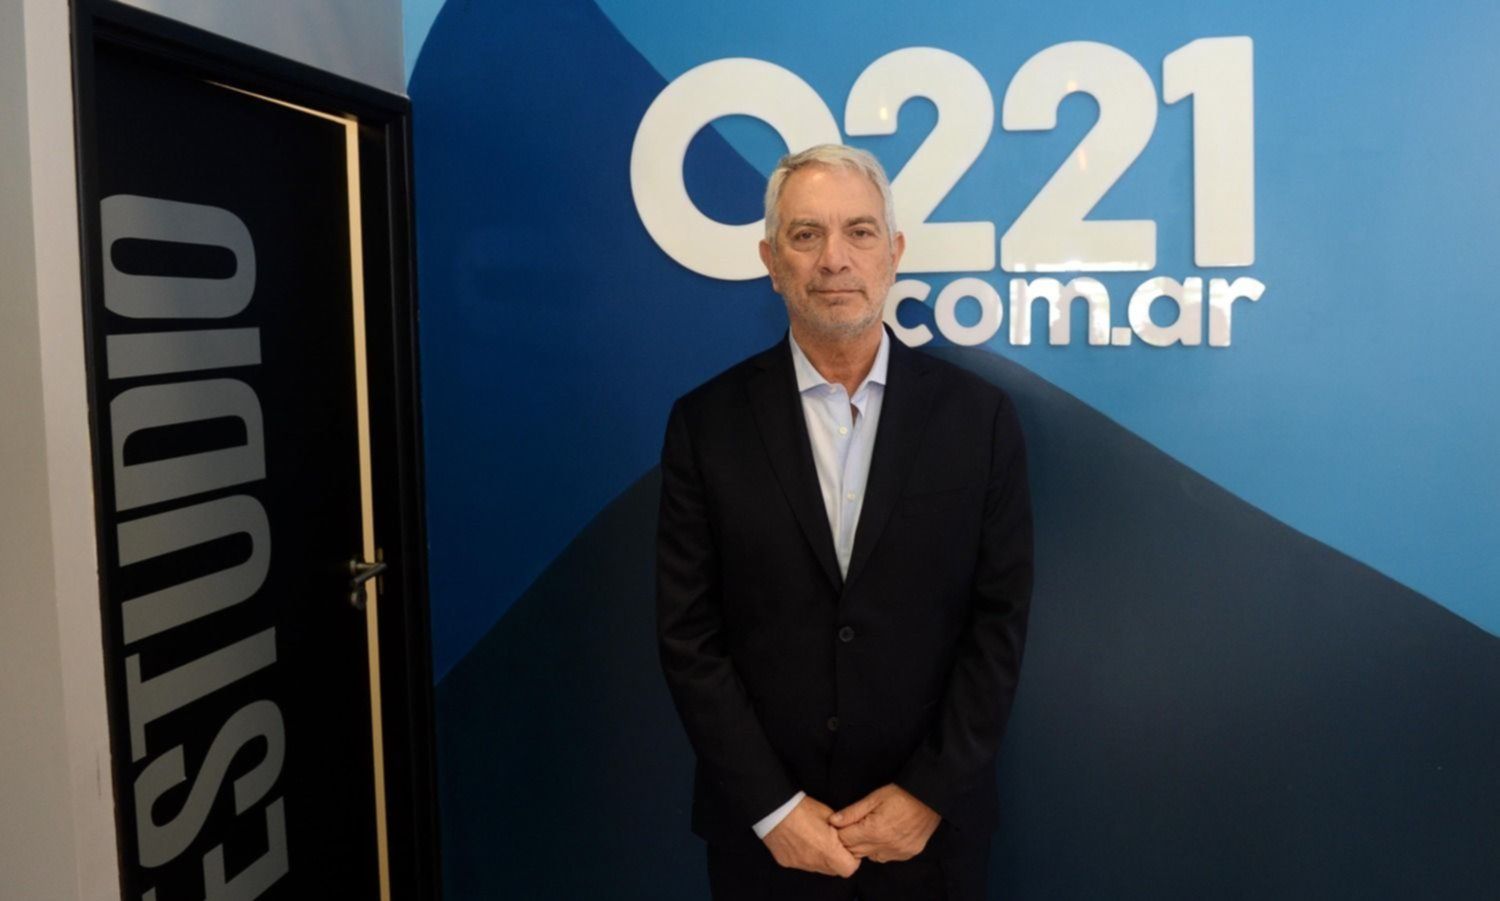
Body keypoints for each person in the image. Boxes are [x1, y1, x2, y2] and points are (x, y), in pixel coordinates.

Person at [656, 144, 1033, 900]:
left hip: (930, 843)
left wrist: (928, 793)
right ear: (771, 261)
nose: (834, 258)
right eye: (806, 235)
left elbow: (999, 622)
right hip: (766, 844)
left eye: (859, 232)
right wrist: (773, 810)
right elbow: (688, 633)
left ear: (894, 253)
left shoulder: (980, 420)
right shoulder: (705, 424)